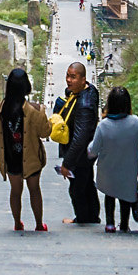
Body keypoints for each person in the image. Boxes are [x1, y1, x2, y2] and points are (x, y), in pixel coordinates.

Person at [0, 67, 48, 232]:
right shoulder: (35, 110)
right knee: (34, 190)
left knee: (15, 191)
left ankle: (17, 223)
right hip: (31, 156)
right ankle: (39, 224)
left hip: (10, 156)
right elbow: (45, 132)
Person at [90, 86, 138, 232]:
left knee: (109, 195)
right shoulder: (135, 122)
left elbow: (93, 149)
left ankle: (110, 223)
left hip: (107, 169)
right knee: (125, 197)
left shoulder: (104, 125)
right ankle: (124, 224)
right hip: (128, 169)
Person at [55, 60, 102, 225]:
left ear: (83, 79)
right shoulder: (86, 92)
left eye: (73, 77)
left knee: (77, 189)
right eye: (68, 76)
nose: (68, 80)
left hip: (81, 153)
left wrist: (67, 163)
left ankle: (83, 218)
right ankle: (92, 216)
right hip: (86, 152)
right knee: (87, 183)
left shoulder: (84, 104)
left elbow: (80, 136)